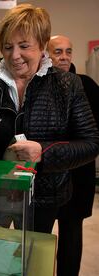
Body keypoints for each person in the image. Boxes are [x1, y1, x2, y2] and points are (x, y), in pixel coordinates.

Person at [0, 3, 99, 242]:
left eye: (24, 46)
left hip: (43, 196)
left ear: (42, 46)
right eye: (8, 47)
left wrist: (43, 152)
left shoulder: (68, 85)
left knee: (31, 253)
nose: (15, 56)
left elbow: (91, 143)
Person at [47, 35, 99, 276]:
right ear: (46, 54)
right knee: (39, 241)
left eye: (68, 51)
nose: (64, 57)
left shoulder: (87, 85)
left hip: (78, 178)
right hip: (45, 180)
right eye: (58, 52)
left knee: (71, 240)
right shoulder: (38, 87)